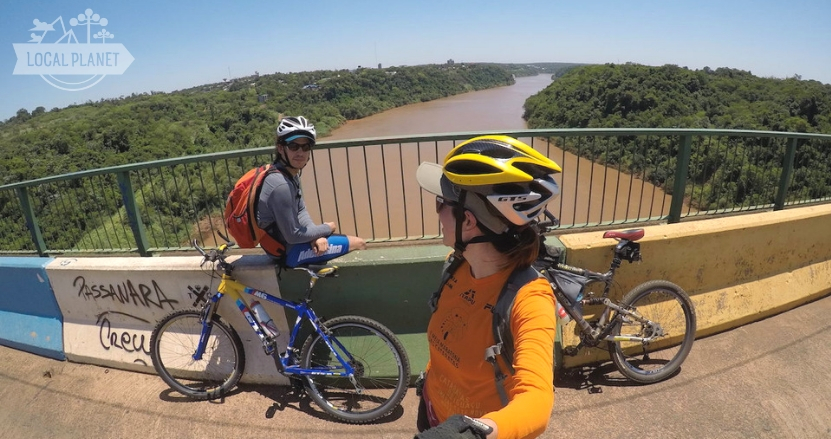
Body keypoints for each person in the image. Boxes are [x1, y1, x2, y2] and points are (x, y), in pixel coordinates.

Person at [414, 135, 561, 439]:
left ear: (468, 221)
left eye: (441, 203)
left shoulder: (530, 299)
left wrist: (475, 432)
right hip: (432, 413)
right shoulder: (456, 264)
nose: (436, 212)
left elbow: (537, 399)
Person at [256, 116, 366, 267]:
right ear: (281, 148)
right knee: (359, 243)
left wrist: (315, 236)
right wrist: (327, 228)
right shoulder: (280, 184)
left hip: (286, 245)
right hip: (287, 253)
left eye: (305, 147)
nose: (300, 152)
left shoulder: (288, 174)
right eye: (293, 146)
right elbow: (294, 235)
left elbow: (301, 210)